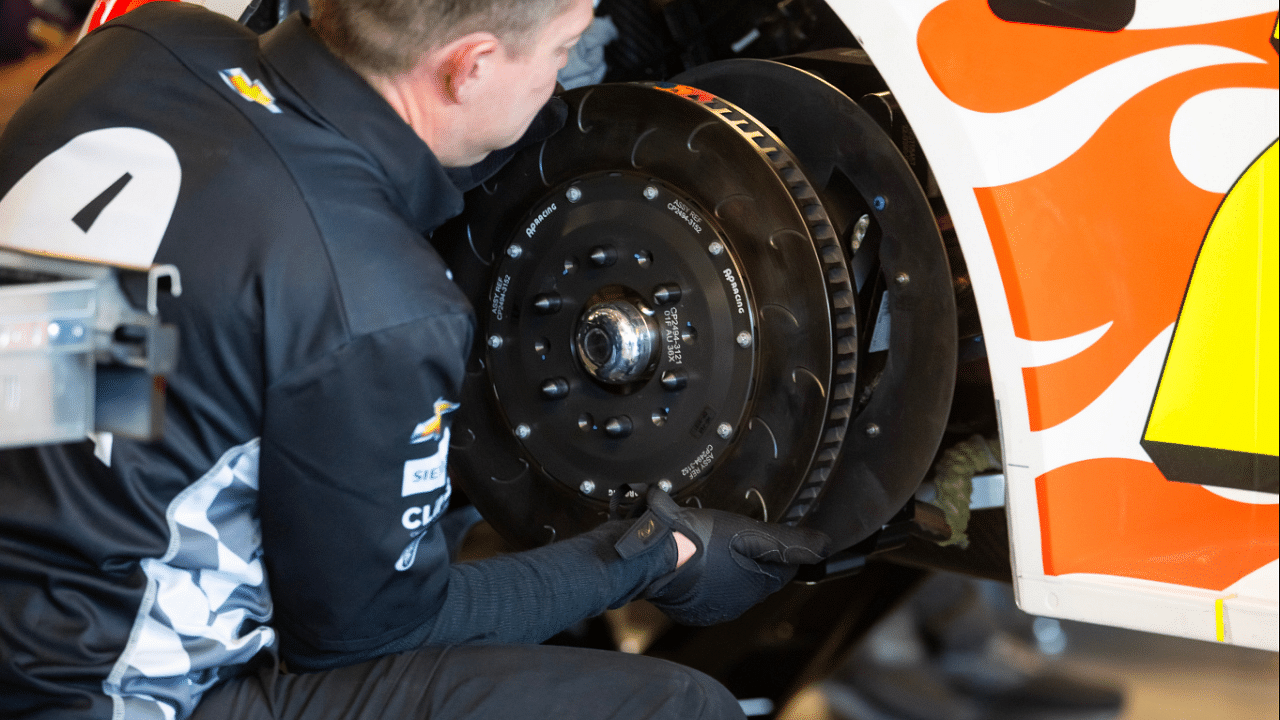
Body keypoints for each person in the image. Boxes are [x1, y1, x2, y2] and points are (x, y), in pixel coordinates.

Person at [0, 1, 829, 718]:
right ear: (468, 67)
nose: (559, 76)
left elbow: (172, 304)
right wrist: (655, 553)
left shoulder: (147, 44)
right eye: (558, 53)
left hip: (29, 554)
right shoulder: (381, 304)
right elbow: (365, 635)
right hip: (91, 699)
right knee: (678, 707)